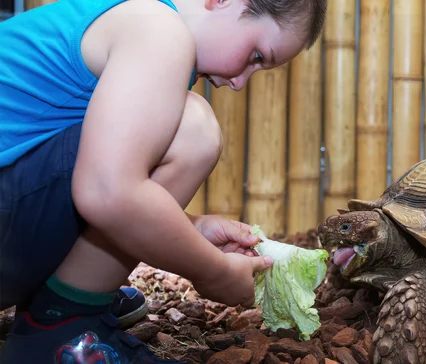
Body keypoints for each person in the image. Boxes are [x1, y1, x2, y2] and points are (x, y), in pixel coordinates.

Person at [0, 0, 326, 361]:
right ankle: (62, 325)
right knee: (191, 128)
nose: (238, 83)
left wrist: (192, 229)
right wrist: (213, 272)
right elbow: (106, 192)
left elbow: (94, 175)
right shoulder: (160, 31)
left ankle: (63, 296)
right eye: (255, 56)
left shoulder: (130, 15)